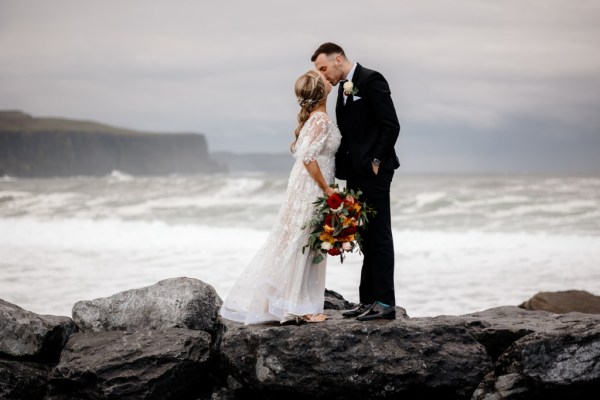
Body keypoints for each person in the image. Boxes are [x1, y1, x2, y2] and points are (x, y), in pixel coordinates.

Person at [219, 70, 341, 325]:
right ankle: (298, 306)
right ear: (321, 91)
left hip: (307, 184)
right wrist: (327, 190)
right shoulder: (321, 120)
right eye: (323, 79)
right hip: (311, 186)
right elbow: (308, 157)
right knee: (303, 241)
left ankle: (280, 301)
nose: (328, 79)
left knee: (301, 240)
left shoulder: (317, 118)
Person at [311, 42, 400, 321]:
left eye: (324, 68)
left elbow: (391, 125)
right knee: (364, 236)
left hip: (375, 171)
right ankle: (367, 301)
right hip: (354, 173)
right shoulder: (343, 91)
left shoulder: (371, 79)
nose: (324, 76)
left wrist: (376, 161)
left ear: (338, 59)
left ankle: (385, 303)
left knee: (380, 235)